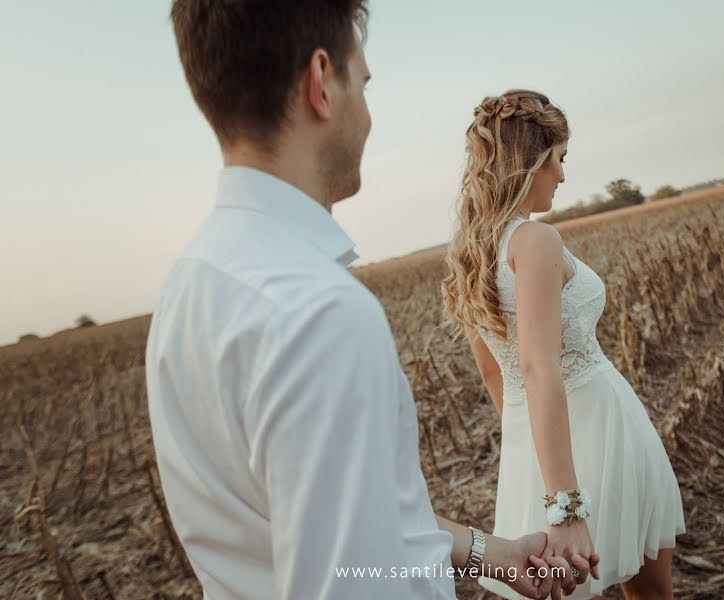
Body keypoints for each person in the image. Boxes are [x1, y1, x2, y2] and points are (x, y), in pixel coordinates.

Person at [145, 2, 598, 598]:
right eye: (363, 83)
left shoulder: (189, 284)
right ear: (321, 84)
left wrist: (495, 555)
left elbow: (358, 528)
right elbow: (355, 581)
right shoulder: (317, 312)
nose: (368, 113)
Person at [441, 90, 687, 599]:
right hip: (601, 435)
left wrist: (534, 460)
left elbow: (499, 378)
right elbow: (539, 370)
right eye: (559, 159)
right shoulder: (534, 241)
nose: (563, 175)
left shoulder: (468, 257)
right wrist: (566, 506)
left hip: (535, 450)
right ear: (530, 162)